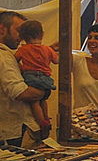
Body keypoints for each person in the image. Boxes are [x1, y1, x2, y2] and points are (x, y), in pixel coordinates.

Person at [0, 11, 50, 146]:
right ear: (2, 29)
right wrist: (45, 92)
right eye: (18, 31)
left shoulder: (8, 55)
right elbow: (21, 93)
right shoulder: (4, 57)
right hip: (13, 135)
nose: (22, 37)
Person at [14, 19, 58, 138]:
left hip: (31, 77)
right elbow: (56, 61)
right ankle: (46, 118)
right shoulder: (47, 49)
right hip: (45, 79)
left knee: (34, 102)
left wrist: (22, 67)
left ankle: (41, 122)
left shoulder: (23, 49)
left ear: (23, 37)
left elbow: (14, 60)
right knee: (43, 99)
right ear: (42, 34)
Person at [70, 22, 98, 130]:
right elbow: (53, 56)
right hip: (81, 128)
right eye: (89, 37)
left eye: (97, 38)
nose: (92, 41)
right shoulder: (78, 61)